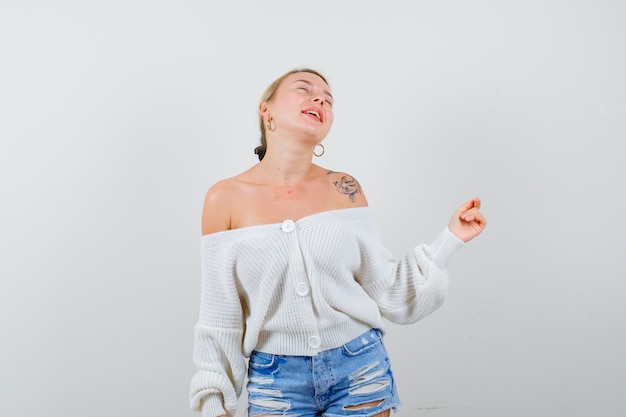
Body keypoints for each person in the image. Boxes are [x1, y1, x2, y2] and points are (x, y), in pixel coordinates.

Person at [190, 68, 486, 417]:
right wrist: (214, 406)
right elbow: (220, 319)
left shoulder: (345, 188)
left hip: (359, 369)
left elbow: (387, 287)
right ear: (265, 109)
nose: (319, 99)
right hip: (275, 381)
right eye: (305, 90)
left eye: (328, 100)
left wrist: (450, 238)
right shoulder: (223, 198)